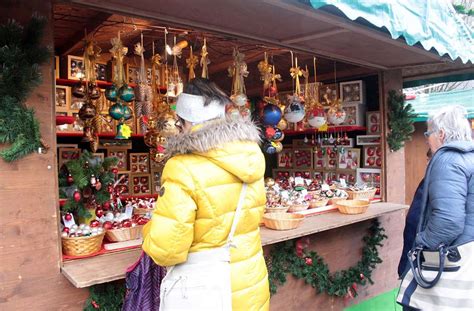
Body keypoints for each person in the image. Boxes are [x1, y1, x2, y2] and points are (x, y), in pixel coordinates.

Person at [142, 77, 270, 310]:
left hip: (206, 292)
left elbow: (167, 250)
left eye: (179, 123)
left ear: (185, 122)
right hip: (249, 284)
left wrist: (148, 230)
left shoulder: (182, 167)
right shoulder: (252, 156)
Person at [400, 105, 473, 310]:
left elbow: (448, 222)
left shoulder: (447, 159)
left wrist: (419, 246)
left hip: (451, 262)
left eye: (428, 132)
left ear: (441, 133)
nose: (426, 138)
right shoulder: (470, 157)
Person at [397, 150, 431, 279]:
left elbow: (414, 220)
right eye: (427, 160)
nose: (427, 164)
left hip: (423, 248)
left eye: (430, 160)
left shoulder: (433, 181)